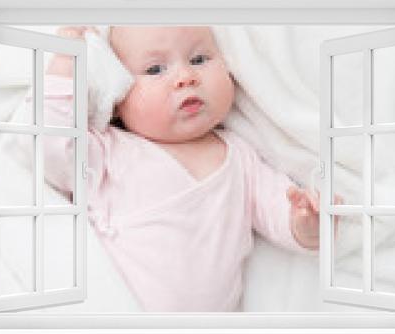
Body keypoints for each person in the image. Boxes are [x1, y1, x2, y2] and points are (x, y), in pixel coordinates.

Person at [42, 26, 324, 312]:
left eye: (199, 60)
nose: (186, 77)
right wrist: (66, 67)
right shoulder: (111, 151)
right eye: (155, 70)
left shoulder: (241, 157)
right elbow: (53, 148)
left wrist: (306, 223)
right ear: (117, 99)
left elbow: (278, 207)